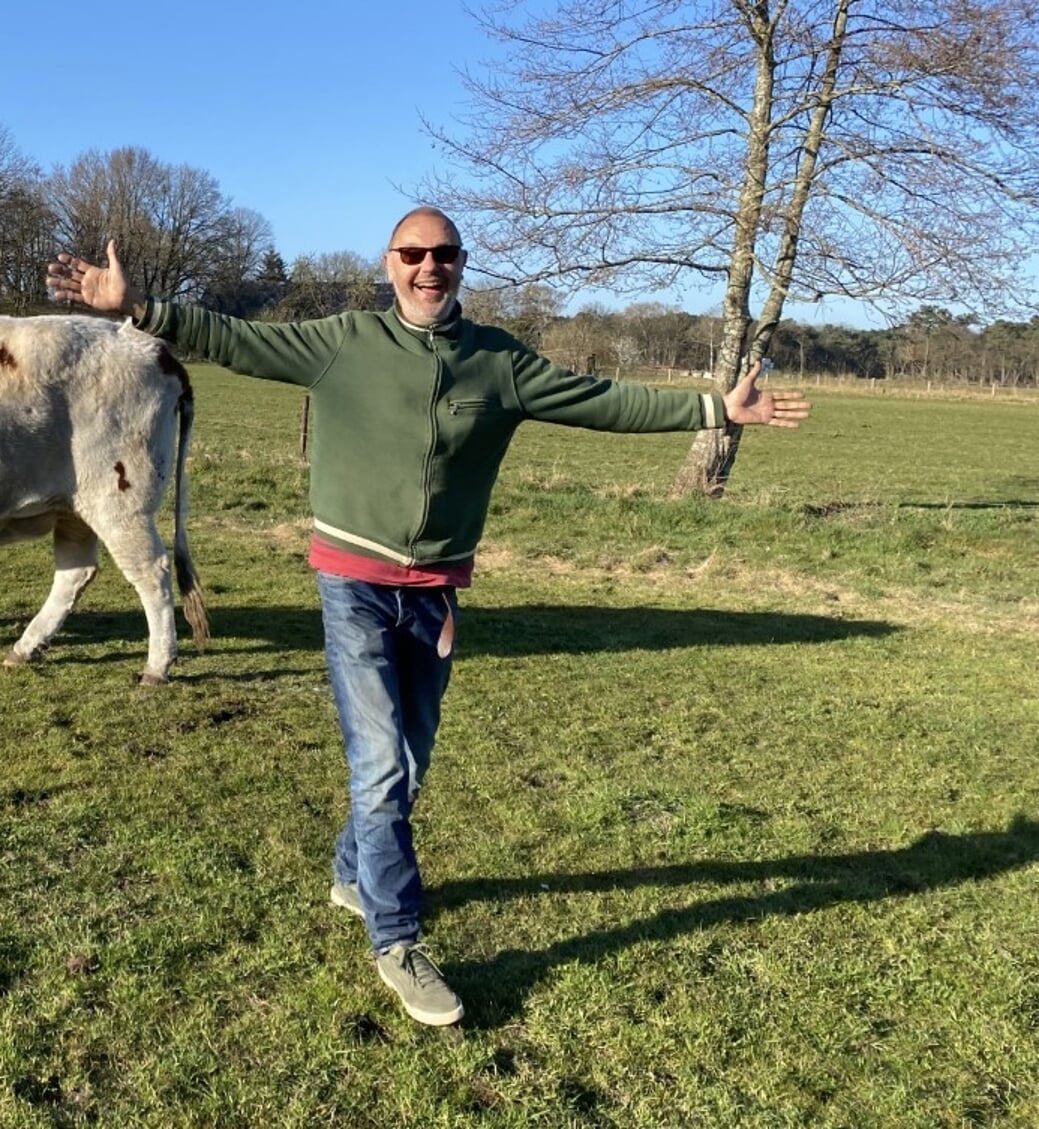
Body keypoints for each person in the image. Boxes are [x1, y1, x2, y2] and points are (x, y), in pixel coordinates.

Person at [45, 207, 810, 1027]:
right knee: (378, 768)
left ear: (459, 263)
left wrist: (714, 411)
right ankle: (396, 937)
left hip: (436, 591)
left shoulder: (497, 362)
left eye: (442, 254)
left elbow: (601, 400)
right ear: (389, 262)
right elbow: (235, 340)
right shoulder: (343, 341)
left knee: (406, 766)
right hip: (352, 585)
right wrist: (140, 306)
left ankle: (352, 871)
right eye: (412, 254)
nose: (426, 267)